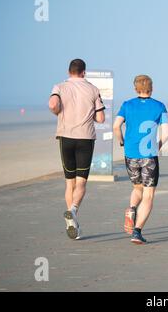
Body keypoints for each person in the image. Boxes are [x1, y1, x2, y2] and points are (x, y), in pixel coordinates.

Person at [48, 59, 106, 240]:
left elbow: (52, 105)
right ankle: (73, 211)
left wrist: (58, 112)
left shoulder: (59, 87)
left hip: (65, 138)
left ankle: (71, 220)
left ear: (69, 71)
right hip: (85, 139)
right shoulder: (93, 89)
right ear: (84, 72)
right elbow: (101, 118)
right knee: (81, 182)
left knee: (69, 182)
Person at [113, 75, 168, 245]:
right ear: (151, 88)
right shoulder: (159, 106)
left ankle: (131, 209)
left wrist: (121, 140)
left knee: (137, 188)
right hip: (149, 156)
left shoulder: (127, 104)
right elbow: (166, 133)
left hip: (130, 154)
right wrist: (157, 146)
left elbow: (116, 126)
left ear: (135, 88)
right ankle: (137, 232)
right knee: (149, 194)